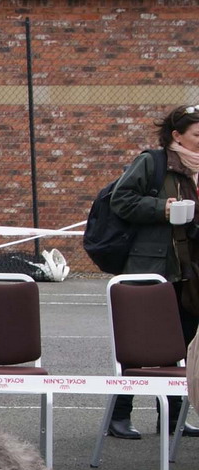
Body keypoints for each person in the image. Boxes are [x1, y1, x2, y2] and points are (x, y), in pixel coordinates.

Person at [108, 104, 199, 439]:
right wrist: (164, 208)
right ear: (177, 136)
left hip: (189, 272)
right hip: (152, 269)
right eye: (197, 136)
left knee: (183, 347)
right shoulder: (153, 162)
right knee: (141, 346)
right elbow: (122, 200)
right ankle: (119, 415)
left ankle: (173, 419)